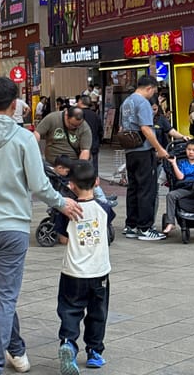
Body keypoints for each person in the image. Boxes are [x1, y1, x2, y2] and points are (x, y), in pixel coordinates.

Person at [0, 77, 82, 375]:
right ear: (15, 105)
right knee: (5, 299)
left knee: (0, 296)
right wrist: (62, 202)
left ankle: (17, 350)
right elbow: (39, 185)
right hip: (13, 227)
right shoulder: (23, 138)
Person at [56, 160, 111, 374]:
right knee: (98, 312)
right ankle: (95, 352)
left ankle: (68, 343)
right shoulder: (104, 209)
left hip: (73, 271)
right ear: (96, 182)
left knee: (70, 310)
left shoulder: (67, 210)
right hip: (99, 271)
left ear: (71, 185)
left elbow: (62, 239)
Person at [120, 74, 169, 241]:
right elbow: (146, 129)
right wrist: (160, 149)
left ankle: (131, 225)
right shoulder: (143, 103)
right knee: (146, 189)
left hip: (130, 150)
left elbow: (122, 126)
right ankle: (145, 227)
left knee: (133, 188)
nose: (152, 94)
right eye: (153, 91)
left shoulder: (126, 102)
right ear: (149, 88)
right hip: (143, 150)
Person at [163, 139, 194, 234]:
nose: (190, 152)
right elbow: (180, 177)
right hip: (185, 187)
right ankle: (170, 222)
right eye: (189, 149)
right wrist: (174, 163)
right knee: (171, 195)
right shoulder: (182, 163)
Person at [77, 95, 103, 175]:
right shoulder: (95, 115)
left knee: (80, 167)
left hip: (80, 145)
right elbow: (100, 131)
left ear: (80, 102)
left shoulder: (77, 114)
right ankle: (94, 182)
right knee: (94, 166)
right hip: (94, 144)